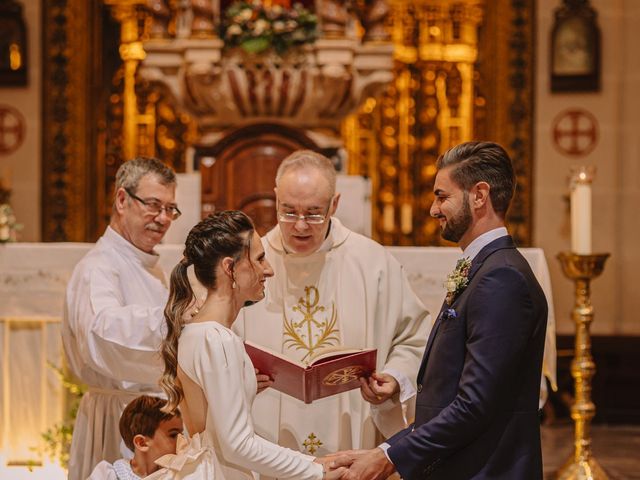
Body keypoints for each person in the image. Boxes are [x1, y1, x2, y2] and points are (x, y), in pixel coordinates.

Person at [340, 141, 549, 479]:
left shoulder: (502, 278)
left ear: (479, 195)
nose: (433, 209)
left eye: (442, 196)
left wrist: (388, 456)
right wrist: (385, 450)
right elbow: (450, 392)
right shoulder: (484, 268)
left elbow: (475, 405)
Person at [234, 150, 430, 457]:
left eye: (313, 213)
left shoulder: (372, 262)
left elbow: (414, 337)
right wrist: (240, 376)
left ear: (334, 204)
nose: (300, 226)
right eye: (288, 211)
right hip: (266, 436)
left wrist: (393, 378)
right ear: (275, 198)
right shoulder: (250, 264)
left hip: (354, 429)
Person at [158, 211, 347, 479]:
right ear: (229, 268)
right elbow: (237, 444)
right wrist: (315, 469)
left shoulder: (197, 331)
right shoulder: (216, 339)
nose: (268, 269)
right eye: (259, 259)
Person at [62, 157, 181, 480]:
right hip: (119, 420)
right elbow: (102, 335)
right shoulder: (98, 267)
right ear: (122, 199)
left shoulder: (149, 268)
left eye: (170, 209)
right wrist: (180, 320)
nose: (163, 218)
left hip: (151, 421)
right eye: (154, 205)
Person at [88, 395, 184, 479]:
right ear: (141, 443)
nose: (182, 440)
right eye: (173, 435)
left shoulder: (178, 475)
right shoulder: (108, 475)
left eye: (182, 434)